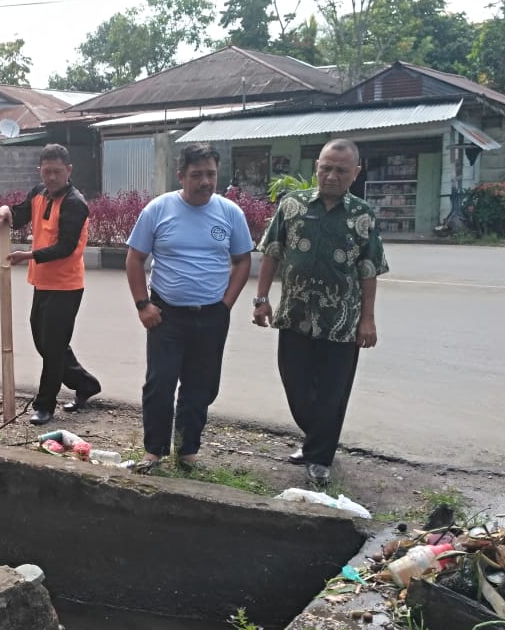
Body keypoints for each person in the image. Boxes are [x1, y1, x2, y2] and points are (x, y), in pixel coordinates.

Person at [252, 138, 389, 488]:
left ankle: (319, 458)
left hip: (342, 323)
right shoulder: (292, 205)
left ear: (355, 173)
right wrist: (261, 299)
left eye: (341, 170)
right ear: (316, 167)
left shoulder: (363, 215)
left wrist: (368, 319)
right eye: (326, 168)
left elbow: (369, 270)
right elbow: (271, 252)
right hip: (294, 316)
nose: (331, 176)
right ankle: (318, 439)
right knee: (296, 388)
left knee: (332, 393)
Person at [125, 143, 254, 471]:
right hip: (166, 315)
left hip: (211, 316)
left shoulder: (230, 213)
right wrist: (142, 305)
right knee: (160, 383)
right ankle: (153, 452)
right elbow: (135, 258)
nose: (205, 182)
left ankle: (187, 451)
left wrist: (225, 305)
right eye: (197, 175)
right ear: (181, 176)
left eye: (211, 174)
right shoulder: (158, 210)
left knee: (201, 387)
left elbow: (242, 261)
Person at [0, 143, 101, 426]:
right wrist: (6, 209)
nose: (52, 177)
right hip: (42, 282)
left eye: (57, 172)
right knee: (46, 343)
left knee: (53, 348)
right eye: (47, 171)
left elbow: (66, 247)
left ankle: (44, 405)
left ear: (69, 171)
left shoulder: (75, 203)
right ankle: (85, 383)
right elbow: (18, 216)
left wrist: (29, 255)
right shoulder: (38, 193)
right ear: (39, 171)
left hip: (66, 286)